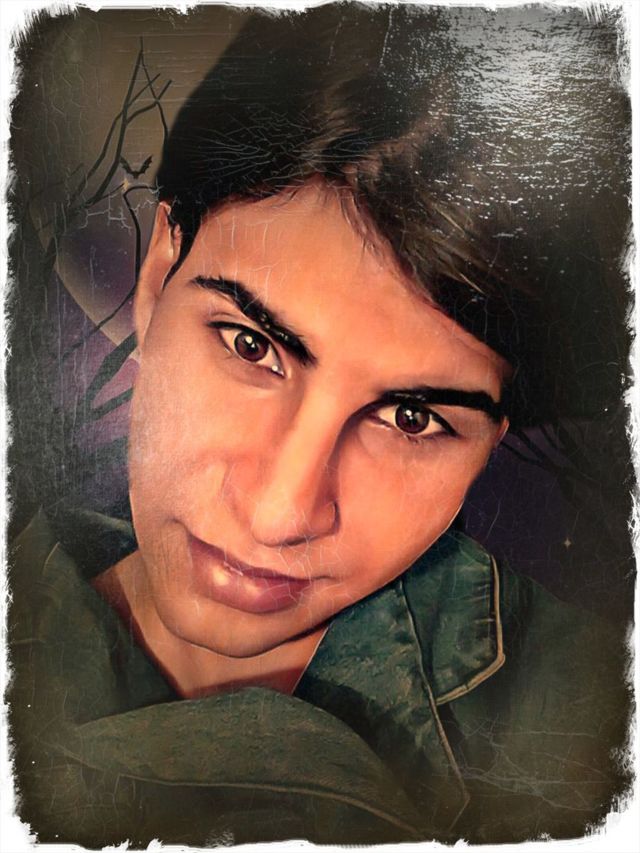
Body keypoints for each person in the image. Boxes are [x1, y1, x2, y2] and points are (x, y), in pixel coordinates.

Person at [8, 5, 631, 847]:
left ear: (491, 440)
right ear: (156, 278)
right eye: (250, 344)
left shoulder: (594, 722)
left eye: (411, 416)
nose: (280, 512)